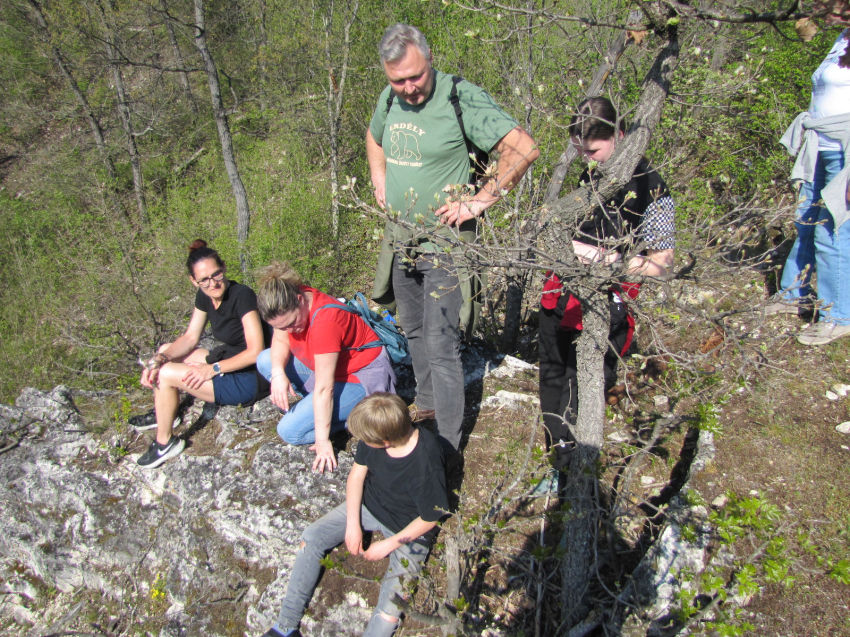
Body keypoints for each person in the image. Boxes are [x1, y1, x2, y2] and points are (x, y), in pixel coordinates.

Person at [367, 24, 539, 466]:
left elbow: (522, 148)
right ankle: (424, 403)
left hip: (446, 244)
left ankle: (445, 449)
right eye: (397, 80)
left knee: (443, 344)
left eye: (414, 77)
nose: (407, 88)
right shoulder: (389, 99)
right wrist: (379, 180)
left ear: (429, 59)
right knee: (413, 330)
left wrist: (480, 201)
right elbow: (374, 137)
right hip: (401, 239)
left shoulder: (460, 97)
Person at [538, 97, 675, 481]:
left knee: (586, 383)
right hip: (560, 293)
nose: (588, 160)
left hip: (607, 304)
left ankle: (576, 469)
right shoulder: (593, 175)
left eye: (594, 151)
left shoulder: (652, 187)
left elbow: (661, 263)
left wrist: (602, 259)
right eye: (581, 152)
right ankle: (558, 452)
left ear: (619, 135)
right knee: (552, 376)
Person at [260, 393, 448, 637]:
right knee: (312, 536)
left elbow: (430, 518)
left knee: (390, 609)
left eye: (367, 441)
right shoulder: (375, 432)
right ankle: (285, 628)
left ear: (386, 440)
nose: (362, 443)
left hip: (410, 528)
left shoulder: (426, 462)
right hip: (371, 505)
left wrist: (389, 544)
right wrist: (352, 524)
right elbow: (357, 476)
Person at [133, 240, 271, 469]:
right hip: (227, 360)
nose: (212, 283)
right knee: (164, 352)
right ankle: (166, 411)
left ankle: (164, 442)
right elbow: (189, 338)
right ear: (193, 281)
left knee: (166, 375)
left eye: (216, 274)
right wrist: (157, 360)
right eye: (204, 279)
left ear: (224, 268)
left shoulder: (242, 295)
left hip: (250, 377)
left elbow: (256, 351)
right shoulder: (204, 296)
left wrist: (212, 369)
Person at [255, 262, 396, 473]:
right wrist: (277, 374)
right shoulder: (290, 300)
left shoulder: (324, 323)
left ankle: (353, 421)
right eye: (281, 327)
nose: (289, 330)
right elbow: (281, 340)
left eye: (291, 324)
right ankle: (321, 411)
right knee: (266, 360)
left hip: (360, 378)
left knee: (290, 431)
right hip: (328, 369)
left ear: (300, 300)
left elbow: (324, 389)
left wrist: (322, 440)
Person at [768, 28, 850, 346]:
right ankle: (793, 294)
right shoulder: (842, 37)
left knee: (832, 231)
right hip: (820, 146)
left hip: (844, 150)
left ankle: (839, 316)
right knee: (805, 221)